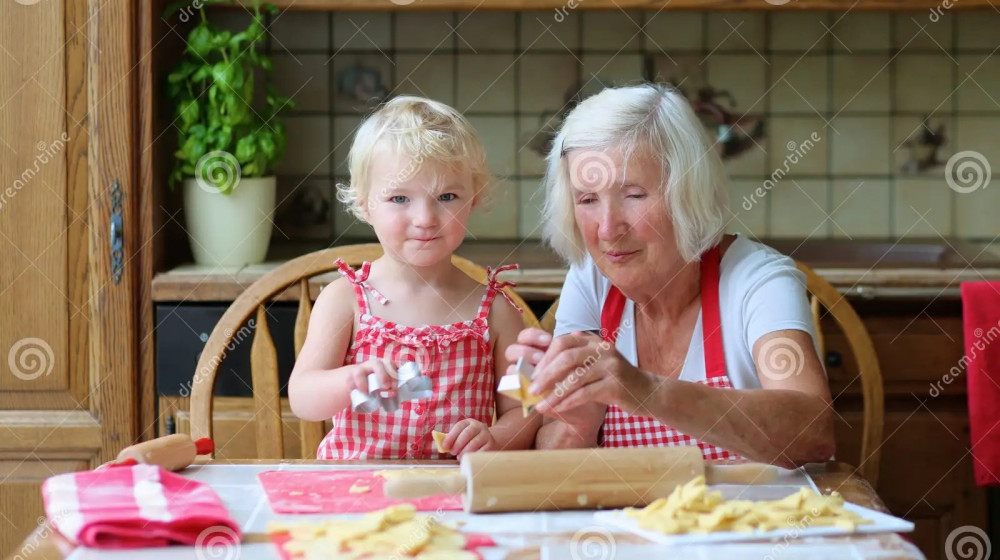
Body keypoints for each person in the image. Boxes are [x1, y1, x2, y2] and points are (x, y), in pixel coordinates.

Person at [506, 84, 836, 468]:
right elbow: (553, 464)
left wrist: (646, 391)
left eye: (634, 194)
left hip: (749, 524)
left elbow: (813, 433)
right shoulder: (591, 280)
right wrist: (575, 424)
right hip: (630, 527)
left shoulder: (757, 280)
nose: (609, 229)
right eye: (588, 200)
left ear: (688, 192)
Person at [290, 96, 540, 460]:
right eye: (399, 198)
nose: (425, 218)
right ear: (364, 204)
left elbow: (526, 406)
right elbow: (302, 397)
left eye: (447, 196)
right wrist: (350, 380)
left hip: (453, 497)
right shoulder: (343, 299)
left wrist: (497, 437)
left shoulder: (496, 310)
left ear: (474, 200)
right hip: (355, 496)